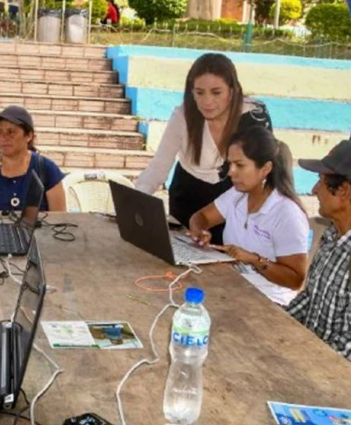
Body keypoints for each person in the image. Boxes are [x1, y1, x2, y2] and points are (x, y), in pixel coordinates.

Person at [134, 53, 273, 245]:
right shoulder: (183, 115)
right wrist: (137, 201)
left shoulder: (254, 116)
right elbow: (159, 166)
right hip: (187, 201)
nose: (207, 101)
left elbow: (263, 170)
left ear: (232, 91)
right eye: (199, 92)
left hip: (235, 204)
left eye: (216, 92)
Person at [188, 127, 308, 304]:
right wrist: (199, 232)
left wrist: (254, 260)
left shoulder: (286, 214)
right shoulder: (237, 195)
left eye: (240, 165)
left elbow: (295, 280)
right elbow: (201, 217)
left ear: (266, 168)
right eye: (230, 164)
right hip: (233, 287)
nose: (231, 172)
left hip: (269, 302)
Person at [288, 140, 351, 361]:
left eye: (321, 182)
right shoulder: (332, 236)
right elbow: (309, 299)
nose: (314, 190)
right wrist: (275, 322)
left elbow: (347, 348)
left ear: (343, 191)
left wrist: (303, 360)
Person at [0, 106, 67, 212]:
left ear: (29, 136)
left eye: (11, 132)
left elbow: (60, 220)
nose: (4, 137)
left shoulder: (46, 170)